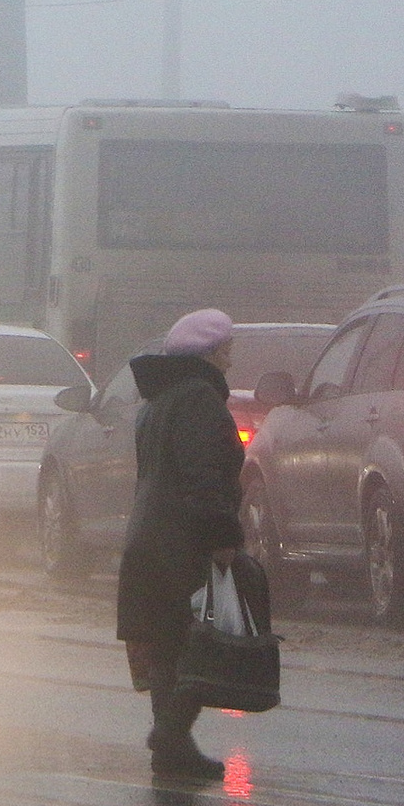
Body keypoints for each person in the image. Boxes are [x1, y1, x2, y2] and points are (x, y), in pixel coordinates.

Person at [115, 307, 244, 781]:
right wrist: (223, 536)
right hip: (182, 541)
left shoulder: (159, 401)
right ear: (212, 353)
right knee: (200, 643)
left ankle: (170, 747)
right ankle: (170, 735)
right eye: (227, 349)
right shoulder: (197, 400)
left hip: (151, 537)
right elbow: (202, 474)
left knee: (168, 646)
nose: (231, 358)